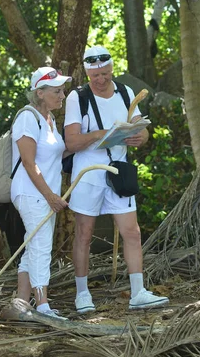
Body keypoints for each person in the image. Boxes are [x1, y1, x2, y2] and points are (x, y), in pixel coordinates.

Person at [64, 45, 169, 313]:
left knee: (131, 232)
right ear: (87, 74)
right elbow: (72, 141)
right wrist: (100, 134)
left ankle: (138, 292)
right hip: (88, 172)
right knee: (85, 233)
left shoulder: (125, 91)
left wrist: (140, 137)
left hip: (119, 171)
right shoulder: (78, 97)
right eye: (95, 76)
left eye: (105, 74)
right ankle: (82, 294)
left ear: (112, 69)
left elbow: (141, 129)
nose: (101, 80)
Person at [11, 66, 71, 319]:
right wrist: (50, 195)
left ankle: (21, 305)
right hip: (32, 193)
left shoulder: (50, 120)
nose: (62, 95)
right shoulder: (28, 117)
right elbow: (28, 161)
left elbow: (57, 153)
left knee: (33, 246)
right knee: (41, 247)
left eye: (62, 90)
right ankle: (43, 306)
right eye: (57, 91)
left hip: (44, 194)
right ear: (40, 93)